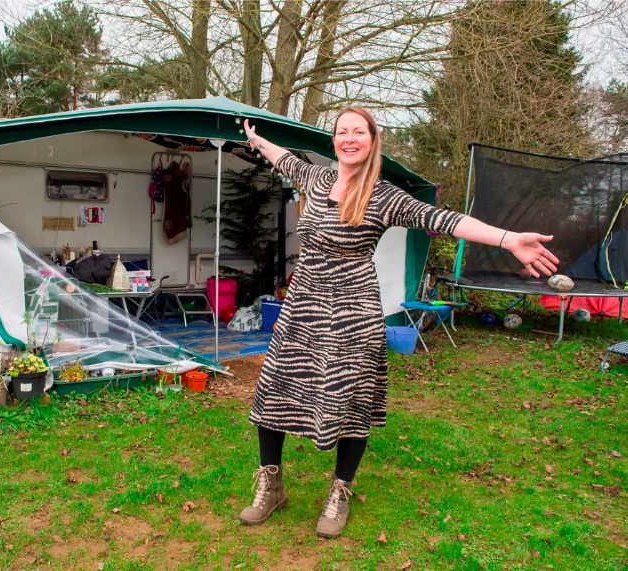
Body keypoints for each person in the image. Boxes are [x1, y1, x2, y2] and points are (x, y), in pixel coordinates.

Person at [238, 108, 559, 538]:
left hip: (353, 312)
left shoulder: (384, 195)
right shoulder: (315, 178)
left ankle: (340, 490)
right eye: (342, 132)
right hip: (303, 305)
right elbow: (282, 157)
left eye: (359, 132)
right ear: (333, 140)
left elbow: (444, 220)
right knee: (276, 389)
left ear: (372, 141)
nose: (349, 139)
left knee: (351, 399)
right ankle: (271, 486)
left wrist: (508, 239)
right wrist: (256, 139)